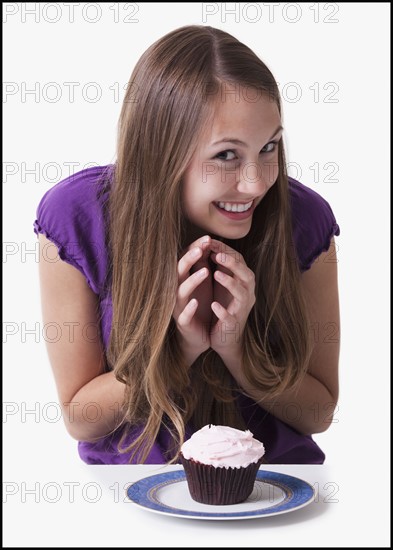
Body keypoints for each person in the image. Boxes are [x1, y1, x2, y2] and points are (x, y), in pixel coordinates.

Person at [33, 25, 340, 465]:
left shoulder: (305, 219)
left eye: (268, 146)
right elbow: (81, 419)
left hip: (277, 491)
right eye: (226, 155)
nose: (256, 183)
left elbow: (319, 412)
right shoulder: (77, 216)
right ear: (163, 151)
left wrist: (237, 351)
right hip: (131, 497)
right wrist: (177, 352)